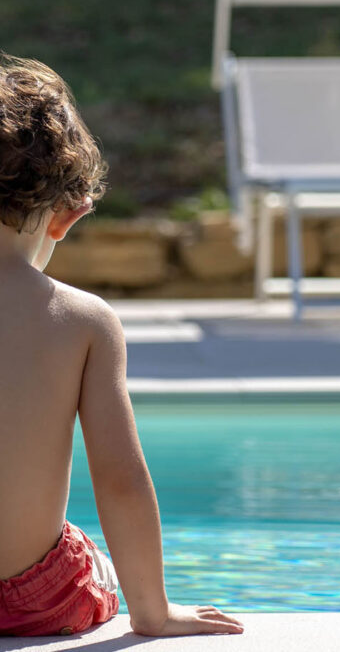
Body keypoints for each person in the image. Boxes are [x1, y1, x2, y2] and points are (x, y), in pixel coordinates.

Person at [0, 56, 244, 638]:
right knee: (85, 550)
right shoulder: (82, 321)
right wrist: (152, 613)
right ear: (67, 217)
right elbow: (119, 479)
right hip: (33, 600)